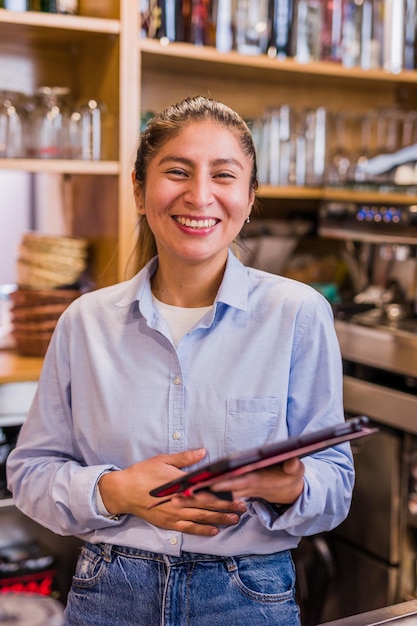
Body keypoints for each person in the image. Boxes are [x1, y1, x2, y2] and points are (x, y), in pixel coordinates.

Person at [7, 95, 354, 626]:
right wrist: (116, 490)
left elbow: (335, 484)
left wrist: (292, 485)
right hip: (109, 591)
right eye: (177, 172)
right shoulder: (85, 321)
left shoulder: (297, 314)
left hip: (247, 594)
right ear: (140, 191)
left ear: (249, 197)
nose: (200, 195)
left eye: (223, 175)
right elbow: (29, 473)